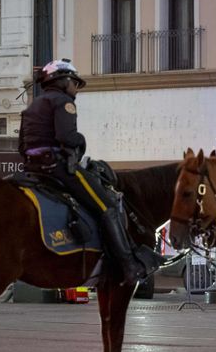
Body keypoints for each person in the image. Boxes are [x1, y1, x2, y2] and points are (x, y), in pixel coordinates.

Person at [18, 59, 161, 286]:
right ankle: (128, 264)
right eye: (74, 83)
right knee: (108, 206)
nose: (76, 89)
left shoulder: (32, 106)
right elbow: (67, 137)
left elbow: (21, 147)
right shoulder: (64, 102)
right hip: (57, 168)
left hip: (32, 170)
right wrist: (81, 141)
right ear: (63, 81)